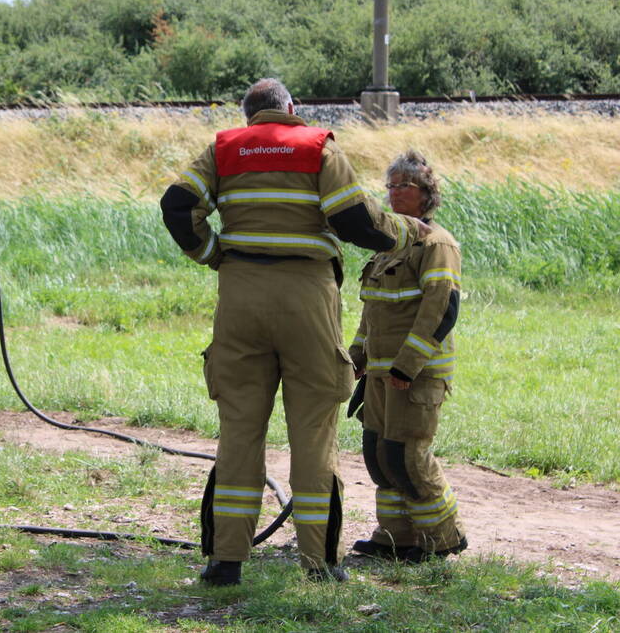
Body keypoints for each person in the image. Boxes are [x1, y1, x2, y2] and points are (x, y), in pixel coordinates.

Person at [160, 78, 431, 586]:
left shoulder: (222, 150)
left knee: (239, 430)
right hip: (307, 297)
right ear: (292, 108)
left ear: (249, 116)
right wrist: (404, 232)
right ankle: (319, 565)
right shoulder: (317, 147)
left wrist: (214, 254)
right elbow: (355, 221)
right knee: (313, 433)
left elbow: (176, 206)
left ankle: (225, 562)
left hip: (240, 298)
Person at [348, 150, 468, 562]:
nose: (395, 193)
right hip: (380, 376)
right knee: (379, 456)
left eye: (405, 186)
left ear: (426, 194)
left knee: (408, 458)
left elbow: (441, 309)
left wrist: (407, 365)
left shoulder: (437, 244)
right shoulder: (389, 247)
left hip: (414, 376)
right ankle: (396, 539)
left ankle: (443, 539)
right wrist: (357, 356)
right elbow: (373, 310)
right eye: (391, 185)